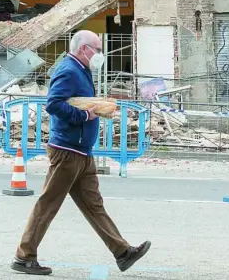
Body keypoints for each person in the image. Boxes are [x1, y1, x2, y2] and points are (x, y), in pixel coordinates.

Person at [11, 30, 151, 276]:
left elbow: (76, 101)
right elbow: (54, 104)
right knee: (48, 205)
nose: (99, 54)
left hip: (81, 151)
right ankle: (24, 256)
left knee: (94, 205)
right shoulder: (69, 70)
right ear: (83, 49)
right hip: (67, 150)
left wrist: (96, 107)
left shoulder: (81, 69)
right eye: (97, 49)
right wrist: (85, 115)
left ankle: (122, 252)